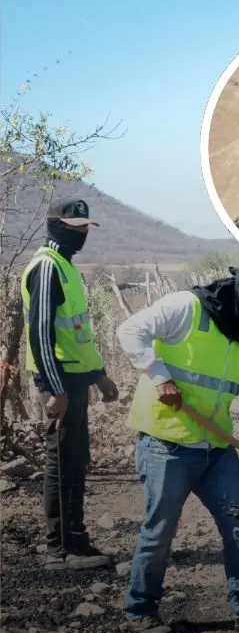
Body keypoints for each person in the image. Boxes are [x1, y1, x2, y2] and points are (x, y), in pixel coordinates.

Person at [115, 267, 239, 633]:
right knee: (160, 531)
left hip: (217, 448)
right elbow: (130, 330)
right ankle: (141, 612)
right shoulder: (187, 307)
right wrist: (159, 376)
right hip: (167, 444)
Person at [20, 199, 121, 570]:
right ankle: (59, 551)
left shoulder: (64, 266)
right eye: (75, 226)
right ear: (56, 226)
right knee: (60, 461)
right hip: (58, 382)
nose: (81, 234)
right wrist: (56, 389)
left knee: (76, 460)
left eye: (85, 227)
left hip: (76, 380)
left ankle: (77, 541)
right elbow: (41, 335)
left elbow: (74, 333)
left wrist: (98, 374)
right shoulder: (47, 268)